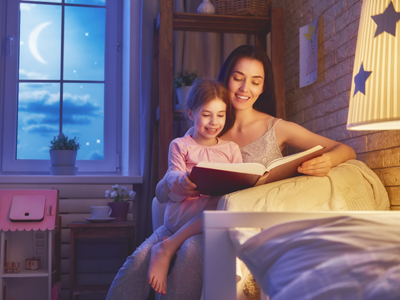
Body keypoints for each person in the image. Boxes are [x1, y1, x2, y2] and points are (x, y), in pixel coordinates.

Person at [107, 44, 357, 300]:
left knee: (191, 251)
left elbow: (345, 149)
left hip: (232, 224)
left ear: (263, 87)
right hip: (186, 215)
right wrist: (174, 185)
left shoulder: (277, 128)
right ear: (226, 78)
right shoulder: (207, 129)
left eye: (255, 82)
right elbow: (163, 189)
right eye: (238, 78)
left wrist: (327, 160)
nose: (244, 88)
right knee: (136, 263)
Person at [147, 78, 242, 295]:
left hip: (214, 211)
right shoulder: (180, 145)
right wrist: (182, 181)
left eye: (221, 114)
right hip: (182, 213)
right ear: (191, 115)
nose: (214, 122)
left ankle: (168, 245)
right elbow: (173, 180)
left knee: (230, 201)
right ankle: (168, 246)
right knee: (223, 202)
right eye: (207, 114)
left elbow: (239, 181)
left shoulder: (231, 148)